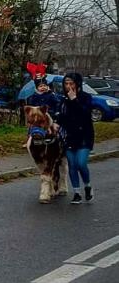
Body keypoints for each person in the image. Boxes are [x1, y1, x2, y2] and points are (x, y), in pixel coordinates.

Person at [60, 71, 95, 204]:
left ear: (78, 84)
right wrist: (56, 123)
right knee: (72, 165)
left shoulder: (86, 97)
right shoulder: (63, 99)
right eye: (66, 83)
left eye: (71, 83)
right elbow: (62, 116)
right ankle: (77, 193)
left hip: (84, 135)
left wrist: (74, 100)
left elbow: (85, 114)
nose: (68, 86)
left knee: (81, 163)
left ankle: (87, 185)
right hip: (69, 136)